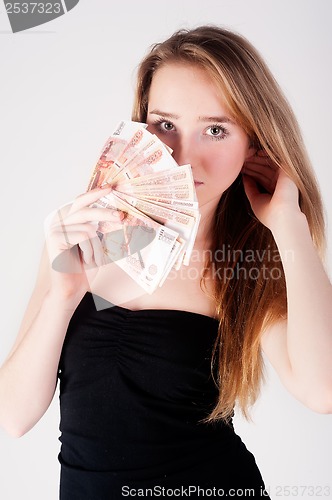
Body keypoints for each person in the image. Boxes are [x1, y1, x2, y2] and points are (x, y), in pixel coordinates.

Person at [1, 25, 332, 499]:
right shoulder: (82, 233)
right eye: (165, 125)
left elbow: (324, 391)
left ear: (254, 145)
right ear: (140, 127)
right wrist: (64, 293)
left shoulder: (251, 264)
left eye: (215, 130)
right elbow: (13, 416)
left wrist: (288, 222)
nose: (183, 157)